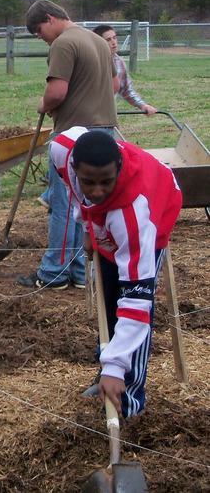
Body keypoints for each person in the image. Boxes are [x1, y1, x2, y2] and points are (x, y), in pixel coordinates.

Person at [49, 128, 182, 417]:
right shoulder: (62, 150)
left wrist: (115, 366)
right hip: (110, 221)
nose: (96, 191)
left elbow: (137, 301)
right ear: (75, 167)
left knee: (127, 299)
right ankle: (109, 372)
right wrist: (87, 225)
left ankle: (129, 405)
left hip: (159, 202)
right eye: (88, 182)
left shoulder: (134, 219)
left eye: (105, 182)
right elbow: (73, 190)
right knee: (110, 299)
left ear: (118, 169)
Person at [18, 0, 118, 290]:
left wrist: (43, 104)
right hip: (104, 131)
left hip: (73, 135)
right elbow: (113, 87)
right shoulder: (97, 42)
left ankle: (54, 273)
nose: (40, 38)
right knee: (89, 205)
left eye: (39, 31)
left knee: (63, 204)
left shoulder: (62, 43)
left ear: (50, 19)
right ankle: (79, 271)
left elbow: (57, 93)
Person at [93, 24, 158, 116]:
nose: (113, 42)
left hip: (108, 115)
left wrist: (143, 105)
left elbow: (126, 90)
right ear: (97, 42)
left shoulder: (119, 62)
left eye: (114, 38)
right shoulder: (89, 62)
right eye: (108, 40)